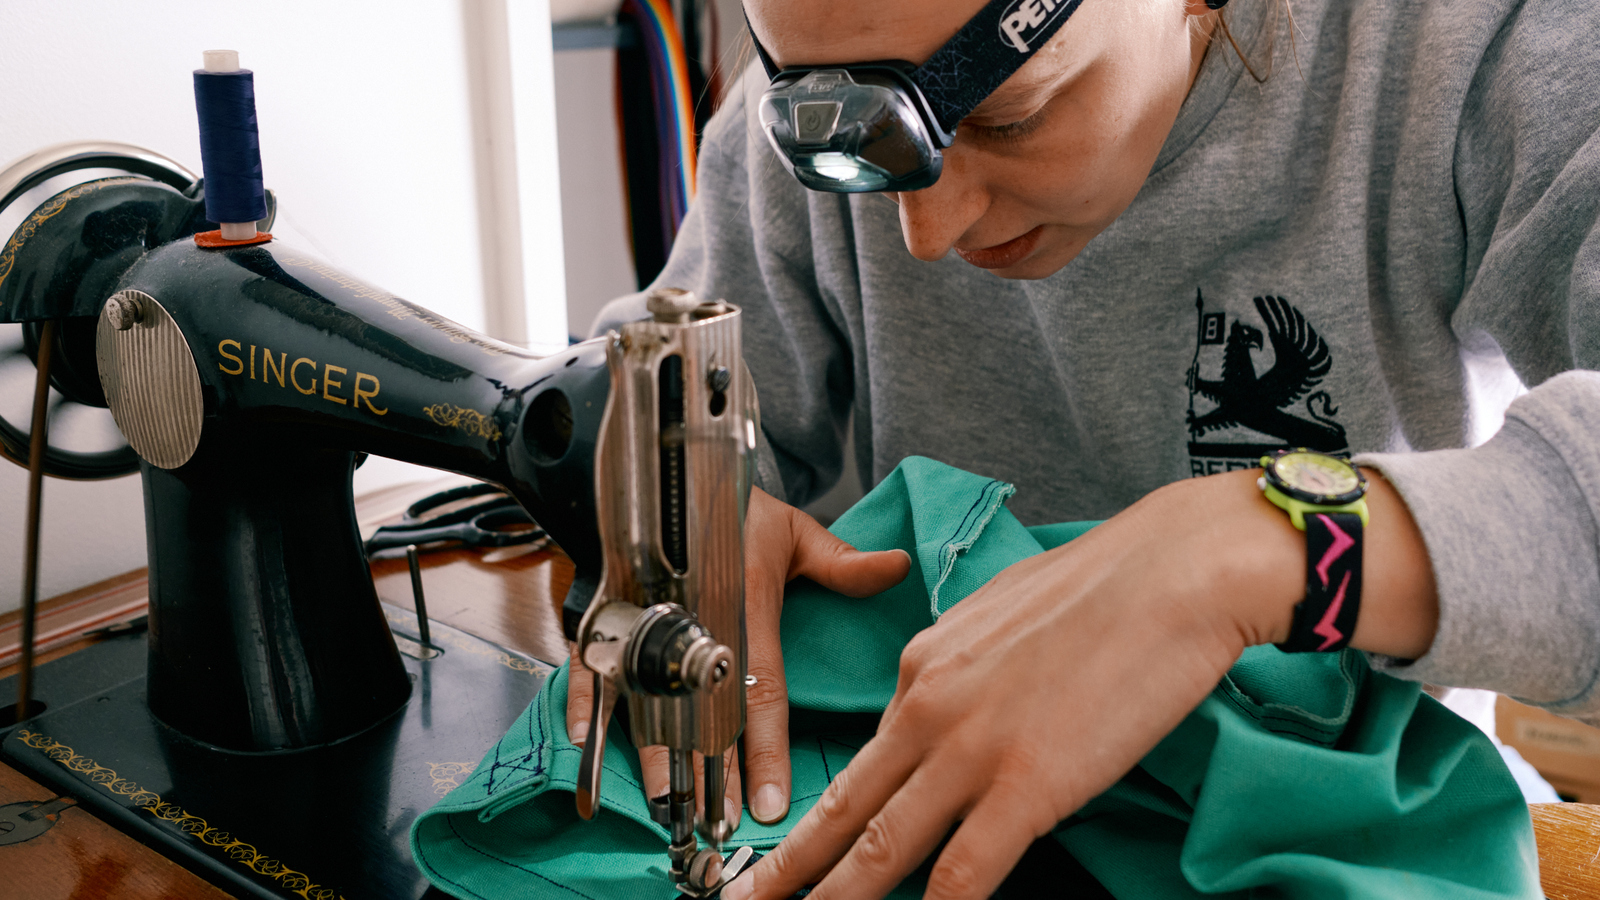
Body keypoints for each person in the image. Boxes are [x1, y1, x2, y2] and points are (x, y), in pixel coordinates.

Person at [569, 0, 1600, 897]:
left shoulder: (1480, 49)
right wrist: (677, 492)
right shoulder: (844, 80)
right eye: (851, 155)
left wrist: (1253, 547)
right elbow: (656, 370)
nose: (924, 231)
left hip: (1330, 838)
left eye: (1006, 117)